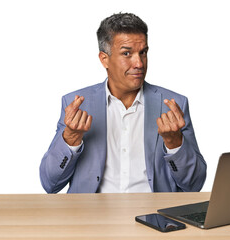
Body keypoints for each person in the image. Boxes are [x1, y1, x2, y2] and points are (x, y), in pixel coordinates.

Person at [40, 13, 206, 193]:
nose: (139, 63)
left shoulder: (173, 105)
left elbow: (194, 184)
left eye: (143, 53)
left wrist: (175, 143)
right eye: (127, 53)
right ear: (104, 59)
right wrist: (71, 138)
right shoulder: (77, 105)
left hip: (154, 217)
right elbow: (50, 184)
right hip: (91, 217)